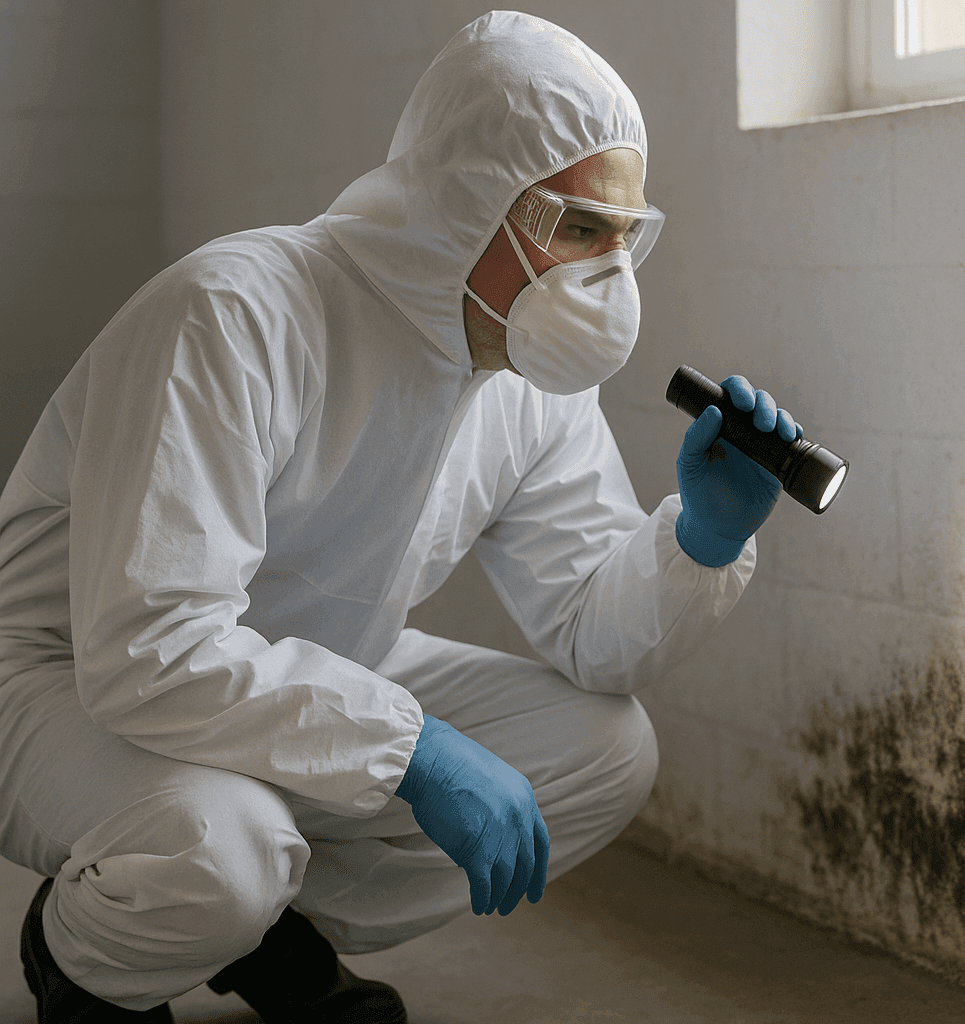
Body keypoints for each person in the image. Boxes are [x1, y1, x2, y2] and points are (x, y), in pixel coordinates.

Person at [0, 12, 797, 1022]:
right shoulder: (236, 315)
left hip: (302, 663)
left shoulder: (526, 375)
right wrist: (412, 749)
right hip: (58, 679)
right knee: (224, 847)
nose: (610, 276)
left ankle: (275, 932)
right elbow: (145, 647)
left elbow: (592, 632)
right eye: (578, 228)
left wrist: (701, 540)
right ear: (470, 202)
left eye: (624, 235)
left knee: (604, 747)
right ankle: (85, 955)